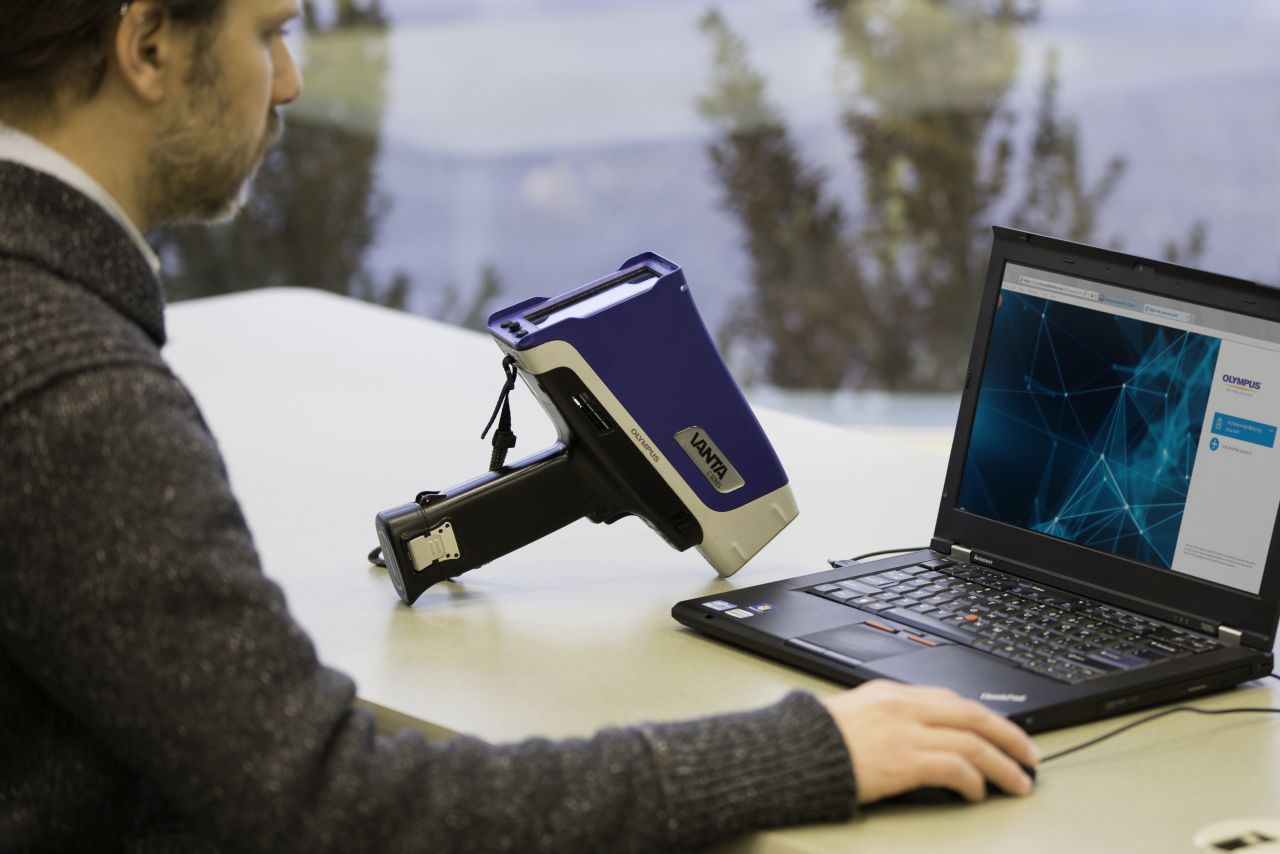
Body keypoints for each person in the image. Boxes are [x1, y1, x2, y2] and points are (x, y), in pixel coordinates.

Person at [0, 1, 1039, 851]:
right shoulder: (77, 393)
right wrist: (806, 753)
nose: (291, 81)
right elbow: (342, 807)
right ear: (148, 44)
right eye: (269, 33)